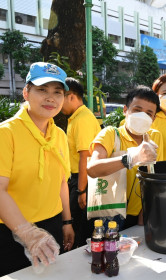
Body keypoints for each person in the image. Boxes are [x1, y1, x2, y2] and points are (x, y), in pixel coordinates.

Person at [0, 62, 75, 279]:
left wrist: (66, 222)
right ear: (26, 93)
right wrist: (27, 233)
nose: (50, 98)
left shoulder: (59, 135)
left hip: (51, 226)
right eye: (42, 90)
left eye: (57, 92)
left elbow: (61, 182)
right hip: (7, 233)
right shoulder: (3, 134)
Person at [87, 85, 163, 230]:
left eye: (149, 113)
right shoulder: (110, 134)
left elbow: (156, 178)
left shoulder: (155, 138)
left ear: (154, 118)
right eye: (137, 110)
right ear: (125, 111)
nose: (142, 116)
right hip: (109, 214)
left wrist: (145, 210)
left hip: (139, 214)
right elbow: (92, 169)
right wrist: (130, 158)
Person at [60, 77, 101, 248]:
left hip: (83, 180)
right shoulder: (76, 117)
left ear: (71, 96)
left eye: (59, 96)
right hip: (79, 180)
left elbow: (85, 156)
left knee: (79, 229)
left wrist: (81, 190)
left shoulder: (82, 119)